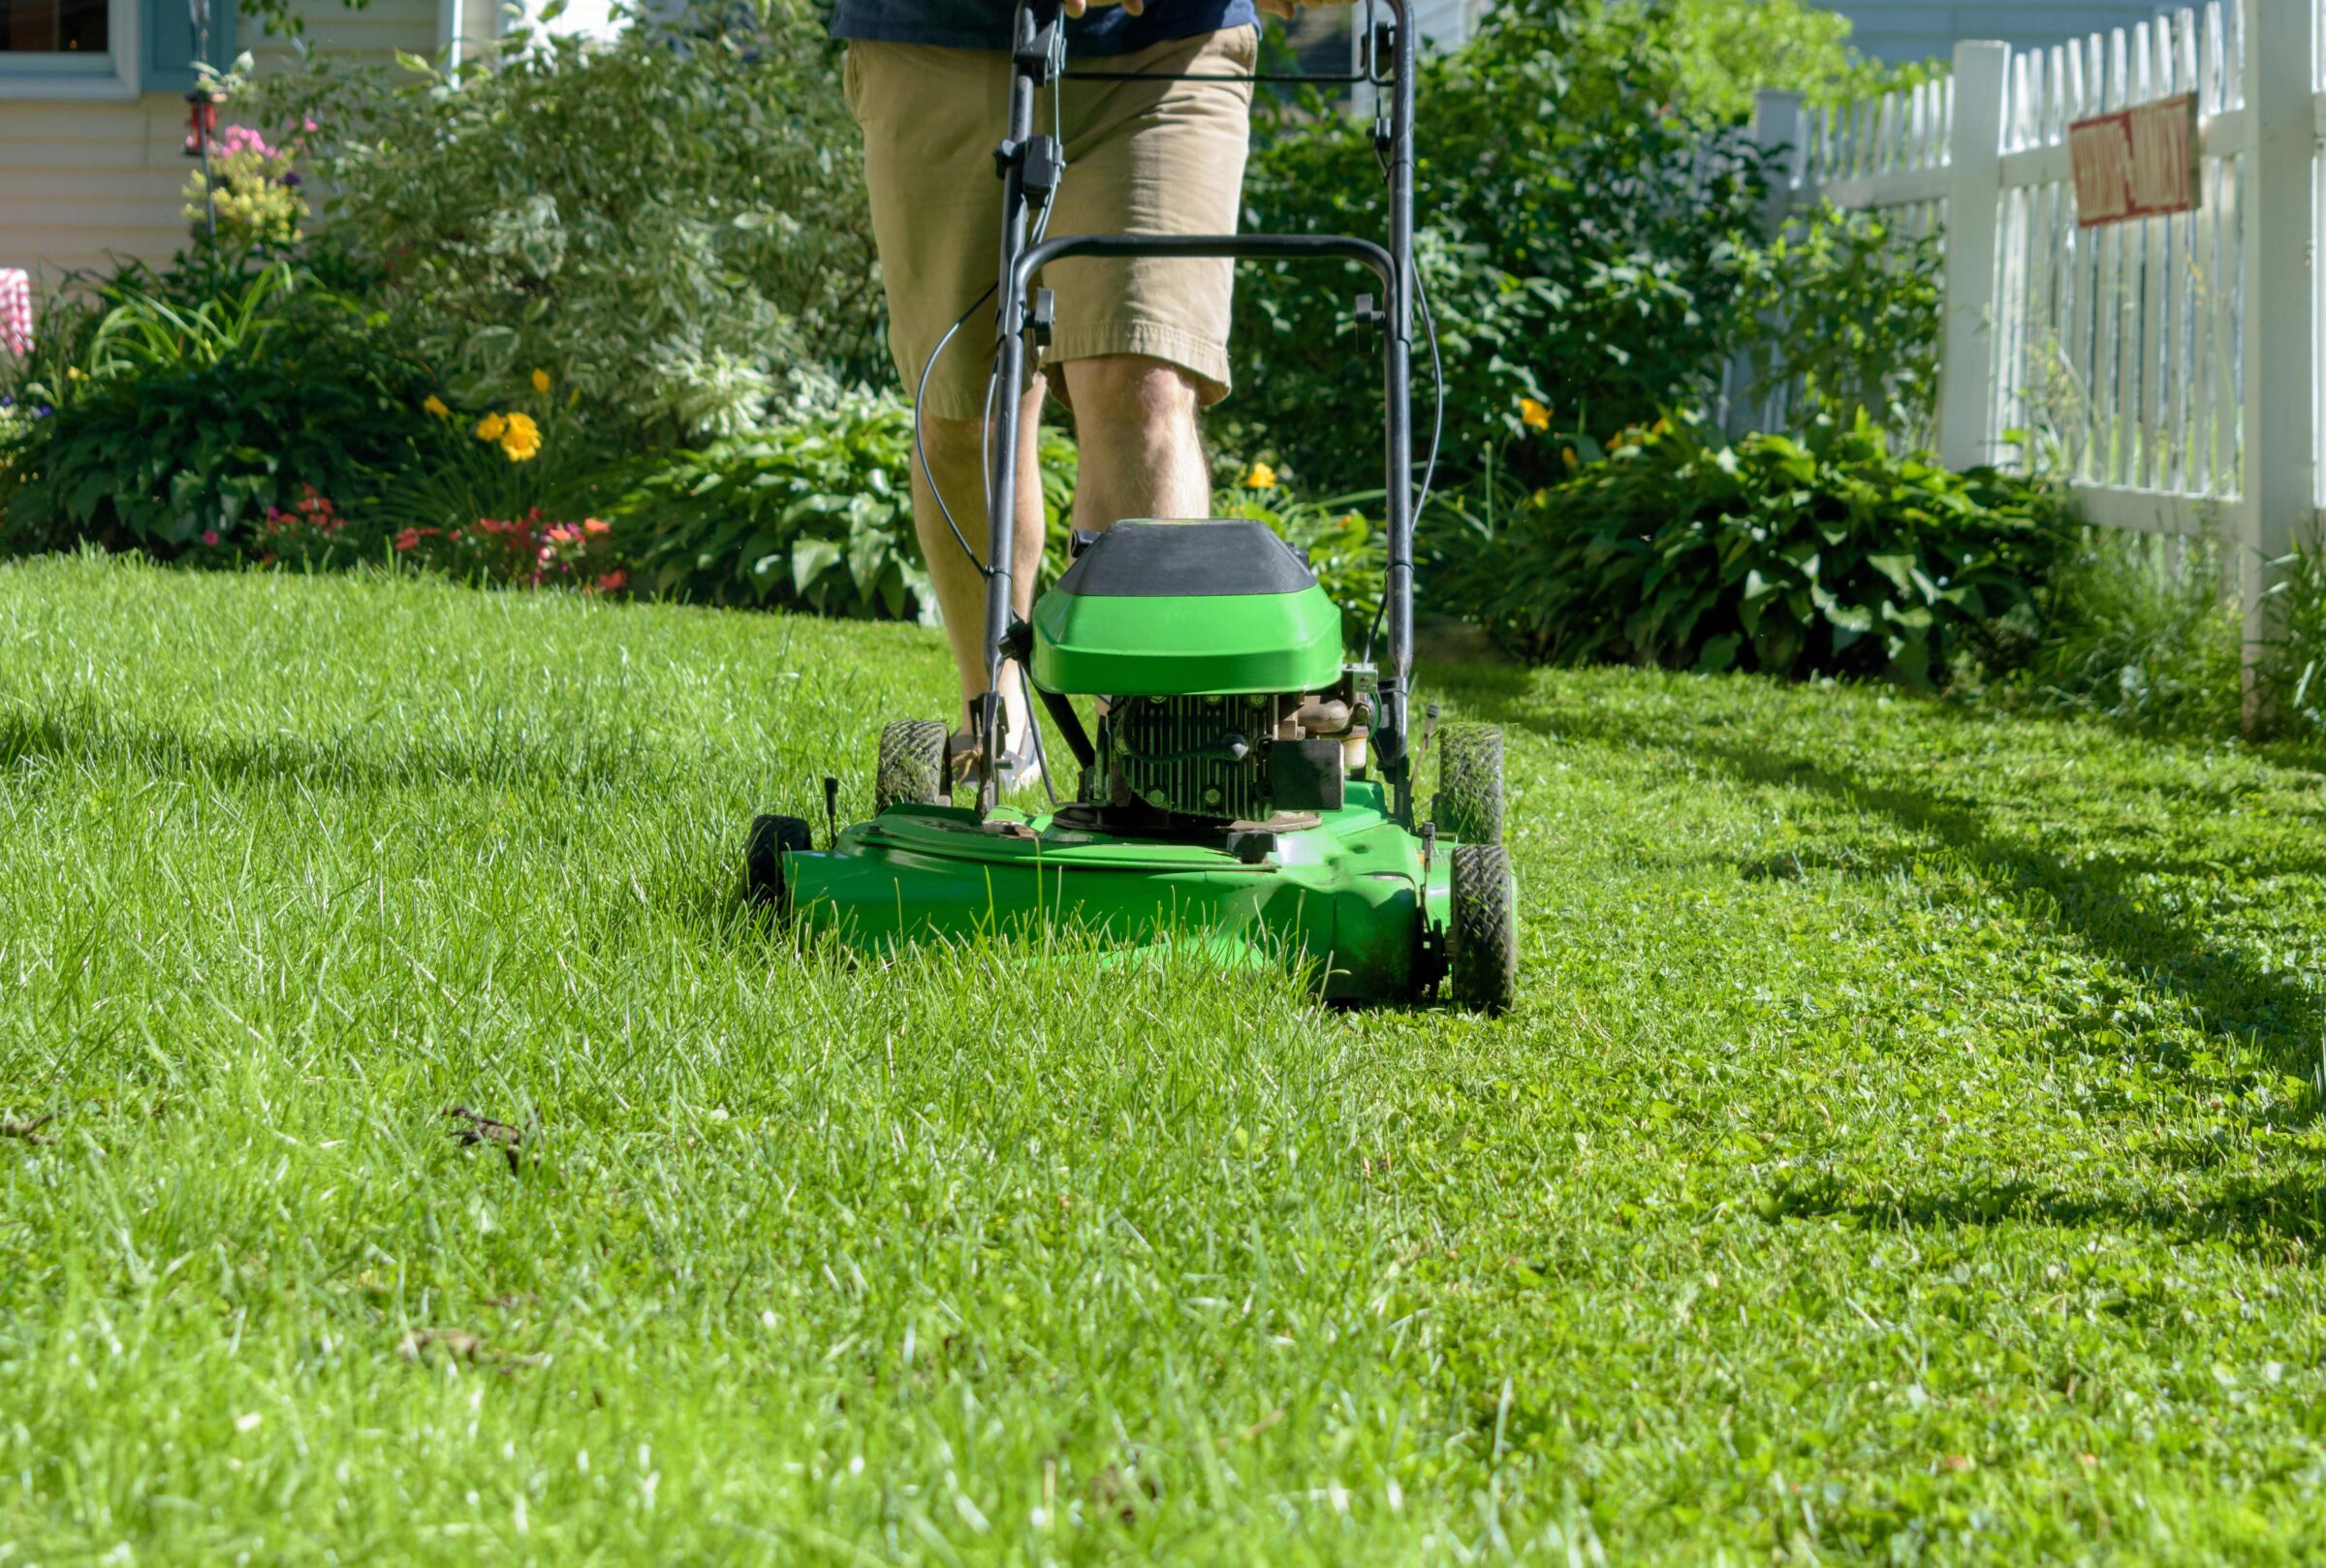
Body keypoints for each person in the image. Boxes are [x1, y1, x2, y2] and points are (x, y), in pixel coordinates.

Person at [832, 0, 1347, 788]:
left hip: (1167, 49)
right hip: (943, 42)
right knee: (972, 408)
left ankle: (1161, 747)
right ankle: (996, 717)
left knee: (1146, 383)